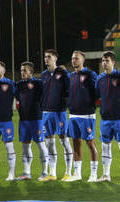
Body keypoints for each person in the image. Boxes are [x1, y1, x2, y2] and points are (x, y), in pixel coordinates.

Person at [96, 51, 120, 183]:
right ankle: (106, 175)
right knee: (105, 146)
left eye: (107, 61)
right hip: (105, 119)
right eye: (103, 61)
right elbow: (98, 95)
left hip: (119, 118)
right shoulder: (100, 79)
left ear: (113, 62)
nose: (104, 63)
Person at [66, 50, 98, 182]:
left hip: (87, 115)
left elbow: (97, 91)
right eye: (73, 58)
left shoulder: (90, 74)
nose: (74, 60)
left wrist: (90, 104)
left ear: (83, 60)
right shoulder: (71, 76)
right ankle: (77, 174)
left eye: (77, 58)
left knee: (91, 144)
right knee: (76, 144)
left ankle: (94, 174)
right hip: (73, 115)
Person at [40, 49, 73, 181]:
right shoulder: (44, 75)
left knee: (64, 141)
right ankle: (52, 173)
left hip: (60, 113)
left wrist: (64, 105)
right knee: (49, 143)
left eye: (49, 57)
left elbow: (69, 90)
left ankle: (68, 172)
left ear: (55, 58)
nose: (46, 59)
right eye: (45, 57)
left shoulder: (63, 73)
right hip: (46, 113)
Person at [15, 62, 49, 181]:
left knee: (41, 145)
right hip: (24, 120)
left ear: (30, 71)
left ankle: (45, 172)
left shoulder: (38, 83)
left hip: (37, 119)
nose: (22, 73)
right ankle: (26, 173)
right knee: (25, 147)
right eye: (21, 70)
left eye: (24, 70)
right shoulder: (19, 85)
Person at [0, 61, 16, 181]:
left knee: (9, 147)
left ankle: (11, 174)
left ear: (4, 71)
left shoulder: (10, 84)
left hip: (6, 122)